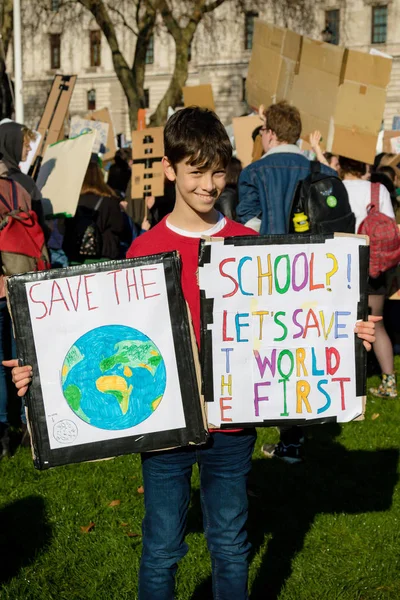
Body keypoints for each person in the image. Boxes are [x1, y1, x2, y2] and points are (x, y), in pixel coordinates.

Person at [5, 107, 378, 599]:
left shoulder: (249, 247)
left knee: (229, 542)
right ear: (170, 168)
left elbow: (291, 319)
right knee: (161, 547)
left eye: (218, 171)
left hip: (232, 429)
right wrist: (41, 375)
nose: (208, 185)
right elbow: (100, 337)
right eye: (196, 172)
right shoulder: (144, 253)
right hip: (164, 431)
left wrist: (344, 331)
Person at [340, 155, 397, 399]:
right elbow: (390, 229)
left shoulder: (334, 187)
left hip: (341, 263)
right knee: (376, 324)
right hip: (375, 265)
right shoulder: (379, 189)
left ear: (340, 164)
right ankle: (389, 381)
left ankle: (342, 381)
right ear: (364, 165)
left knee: (341, 324)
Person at [237, 102, 336, 234]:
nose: (262, 135)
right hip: (315, 253)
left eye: (263, 130)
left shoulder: (252, 172)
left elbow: (248, 222)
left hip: (270, 253)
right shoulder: (326, 172)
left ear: (271, 134)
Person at [63, 159, 125, 263]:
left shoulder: (72, 201)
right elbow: (119, 228)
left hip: (76, 258)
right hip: (104, 257)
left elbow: (64, 228)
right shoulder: (110, 201)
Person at [0, 121, 47, 236]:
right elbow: (39, 225)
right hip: (17, 249)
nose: (29, 149)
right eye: (26, 145)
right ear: (12, 144)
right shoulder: (24, 182)